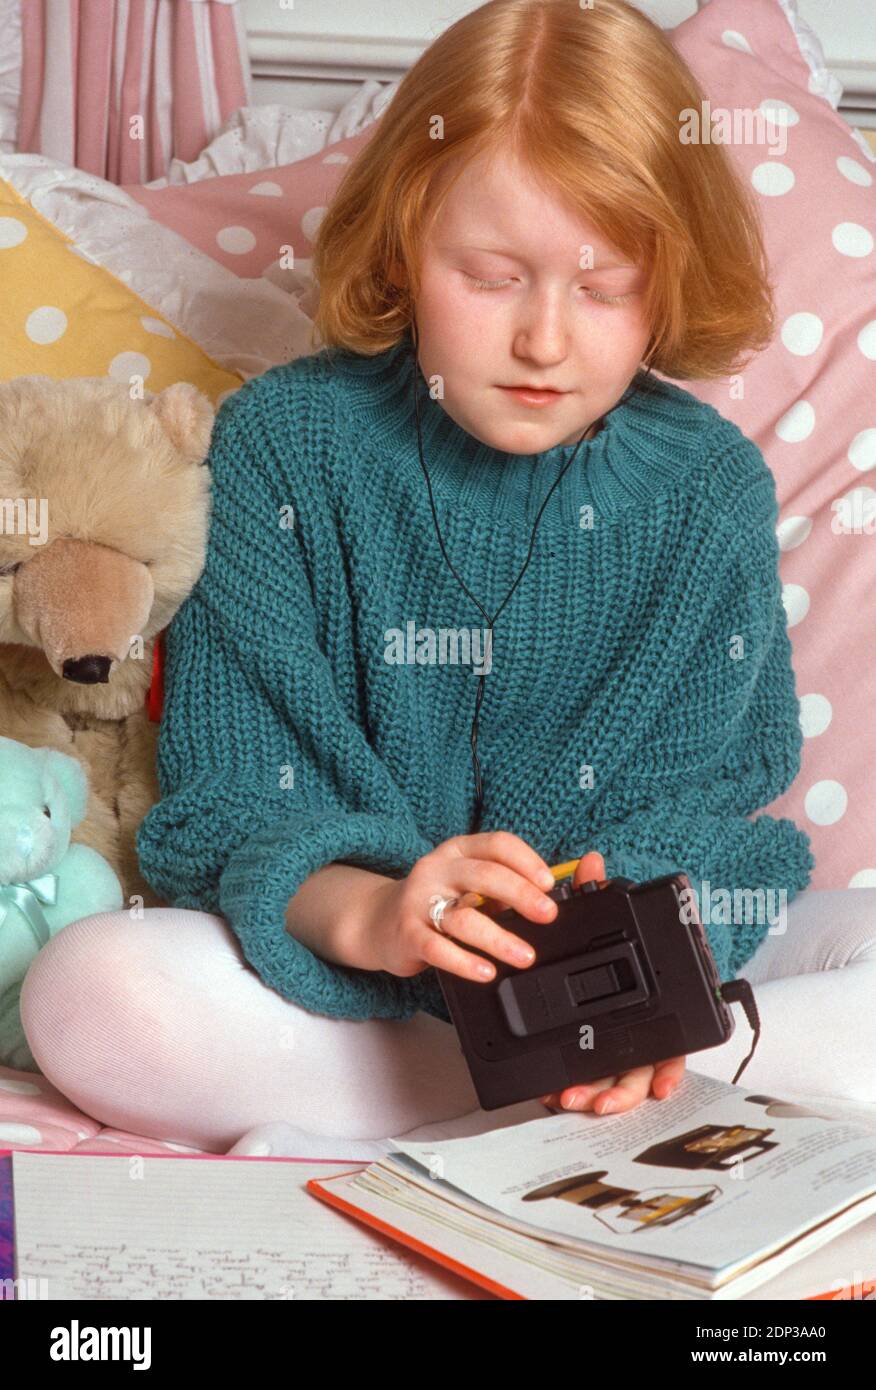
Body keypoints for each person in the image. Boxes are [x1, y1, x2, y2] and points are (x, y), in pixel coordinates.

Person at [18, 0, 876, 1154]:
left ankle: (587, 1080)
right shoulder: (284, 444)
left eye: (604, 286)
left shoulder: (708, 486)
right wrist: (378, 912)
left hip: (640, 996)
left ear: (669, 283)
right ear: (403, 246)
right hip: (357, 992)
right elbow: (226, 807)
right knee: (90, 984)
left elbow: (718, 805)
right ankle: (512, 1097)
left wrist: (639, 986)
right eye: (490, 276)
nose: (544, 339)